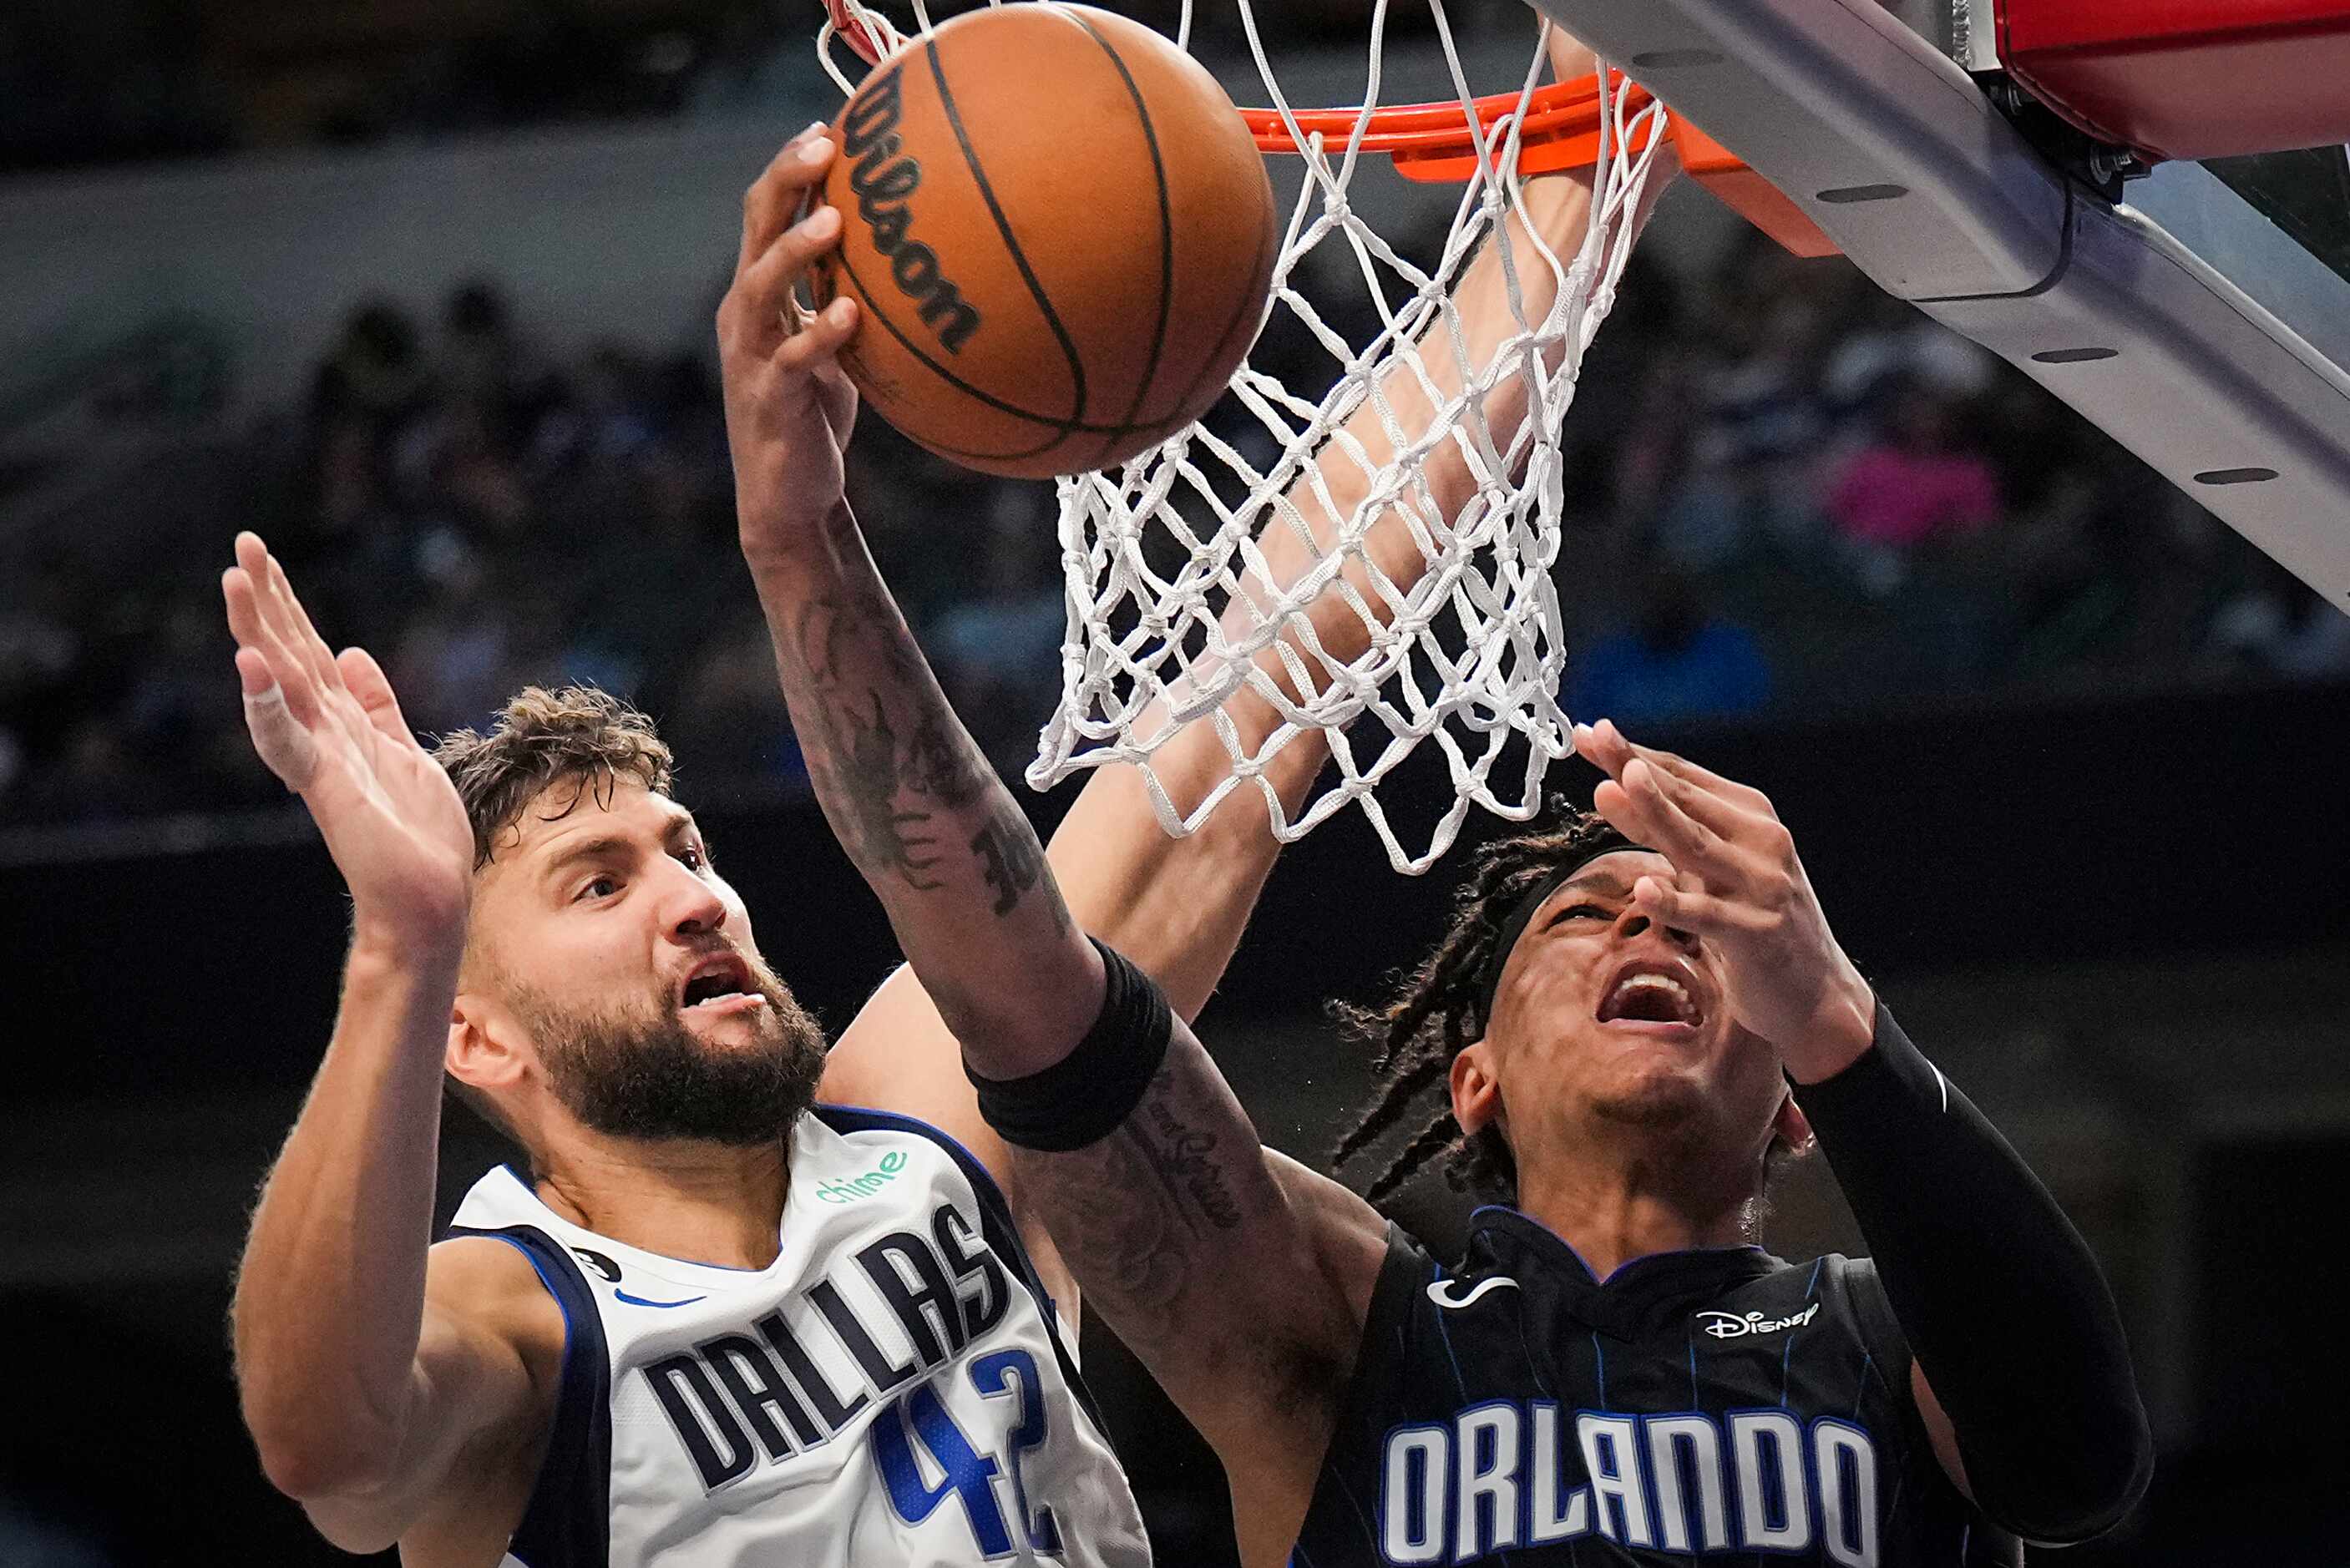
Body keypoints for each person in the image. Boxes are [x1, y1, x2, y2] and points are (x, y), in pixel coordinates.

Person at [705, 53, 2155, 1568]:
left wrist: (1842, 1015)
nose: (1646, 914)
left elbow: (2070, 1459)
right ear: (1471, 1082)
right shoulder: (1347, 1327)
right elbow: (1030, 969)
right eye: (1585, 913)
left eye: (1708, 938)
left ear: (1790, 1098)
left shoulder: (1867, 1337)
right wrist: (795, 538)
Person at [224, 23, 1622, 1562]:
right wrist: (402, 941)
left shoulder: (921, 1130)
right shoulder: (519, 1317)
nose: (695, 890)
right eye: (599, 881)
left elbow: (1257, 691)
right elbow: (329, 1445)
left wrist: (1565, 149)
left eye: (681, 846)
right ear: (475, 1035)